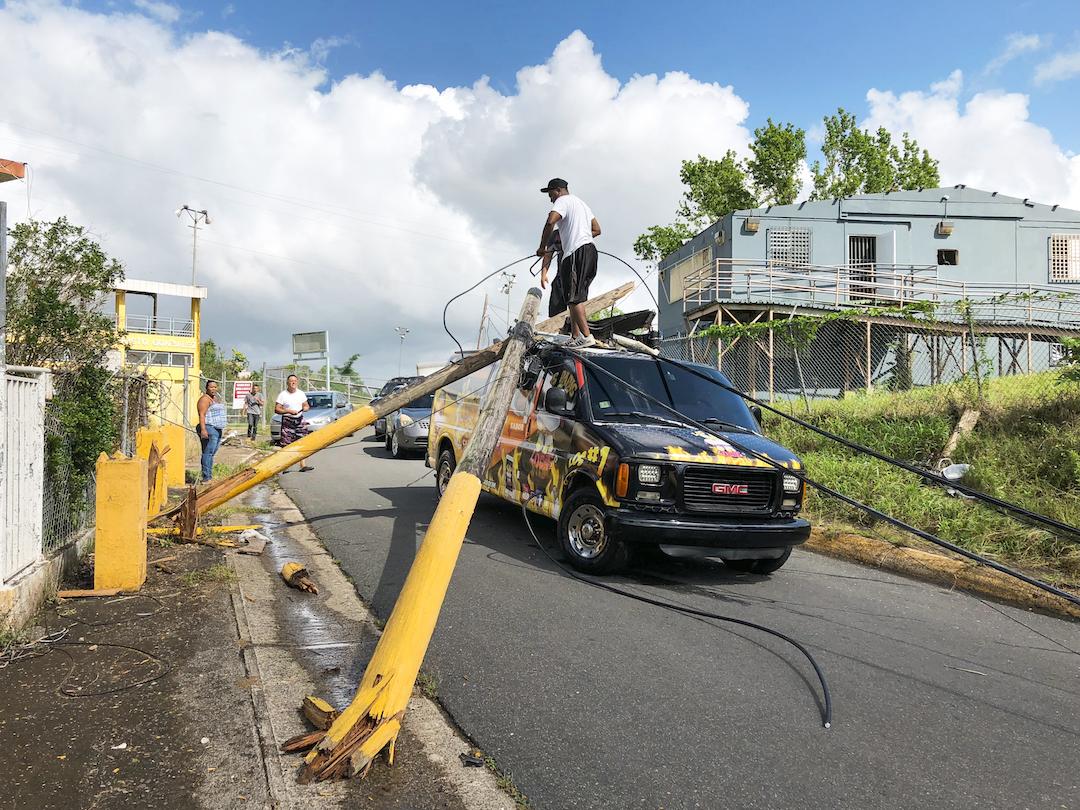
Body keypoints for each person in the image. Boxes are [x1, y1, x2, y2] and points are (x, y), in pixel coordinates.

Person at [536, 178, 601, 347]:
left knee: (574, 297)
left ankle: (586, 337)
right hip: (590, 252)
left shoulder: (562, 201)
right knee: (573, 296)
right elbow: (597, 229)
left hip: (575, 253)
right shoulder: (582, 204)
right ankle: (575, 336)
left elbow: (550, 221)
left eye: (550, 193)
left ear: (557, 190)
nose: (550, 198)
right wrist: (579, 237)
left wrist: (542, 247)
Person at [274, 374, 315, 472]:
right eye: (291, 381)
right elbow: (277, 409)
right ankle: (285, 467)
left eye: (295, 381)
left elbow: (306, 405)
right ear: (287, 383)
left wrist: (305, 408)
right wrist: (288, 411)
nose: (293, 383)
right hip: (288, 420)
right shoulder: (283, 394)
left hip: (299, 419)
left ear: (297, 382)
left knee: (303, 442)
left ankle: (303, 465)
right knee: (286, 444)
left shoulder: (301, 393)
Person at [196, 380, 227, 483]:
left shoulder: (215, 399)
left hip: (217, 428)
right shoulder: (204, 400)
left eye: (215, 387)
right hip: (209, 428)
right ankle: (206, 477)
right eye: (211, 387)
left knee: (212, 453)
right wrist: (203, 430)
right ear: (207, 388)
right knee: (207, 452)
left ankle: (209, 475)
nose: (213, 389)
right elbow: (202, 415)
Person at [540, 228, 570, 330]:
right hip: (560, 276)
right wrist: (543, 274)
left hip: (574, 276)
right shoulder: (555, 234)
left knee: (575, 305)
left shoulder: (575, 230)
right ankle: (556, 331)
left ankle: (575, 332)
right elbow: (548, 255)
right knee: (555, 307)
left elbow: (597, 231)